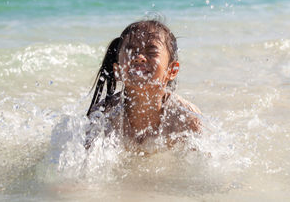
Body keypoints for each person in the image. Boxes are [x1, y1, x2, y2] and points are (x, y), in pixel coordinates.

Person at [85, 20, 202, 153]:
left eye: (151, 52)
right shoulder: (104, 116)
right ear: (118, 71)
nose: (139, 57)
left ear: (172, 71)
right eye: (131, 51)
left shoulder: (186, 118)